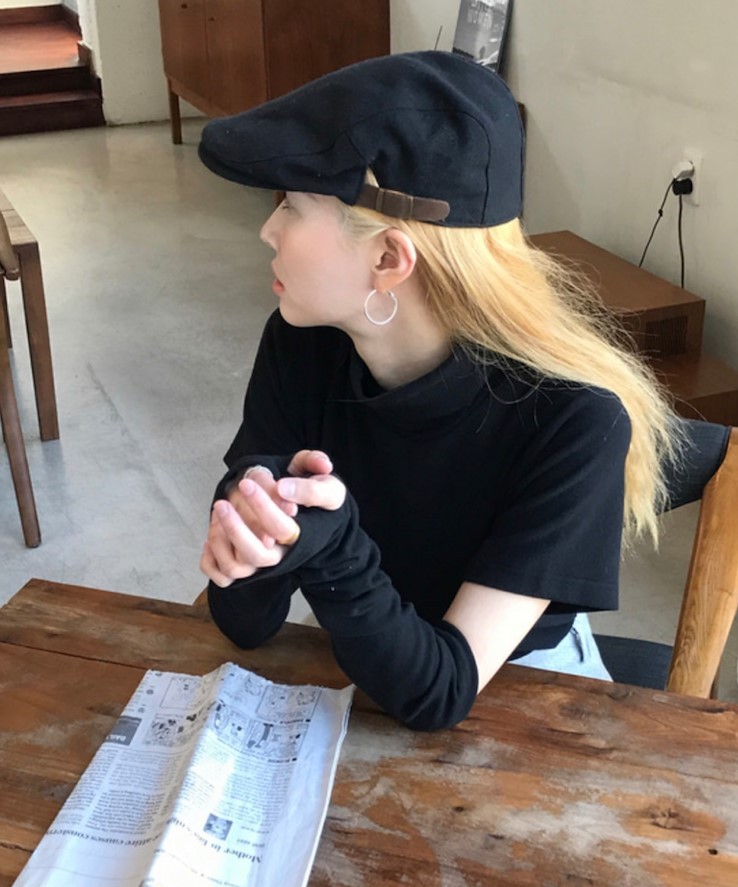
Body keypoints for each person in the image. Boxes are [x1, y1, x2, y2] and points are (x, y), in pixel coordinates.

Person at [197, 51, 679, 731]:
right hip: (369, 654)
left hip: (525, 700)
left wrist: (330, 552)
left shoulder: (573, 422)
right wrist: (255, 527)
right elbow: (244, 625)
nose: (267, 229)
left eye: (294, 206)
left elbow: (440, 693)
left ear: (389, 258)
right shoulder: (302, 344)